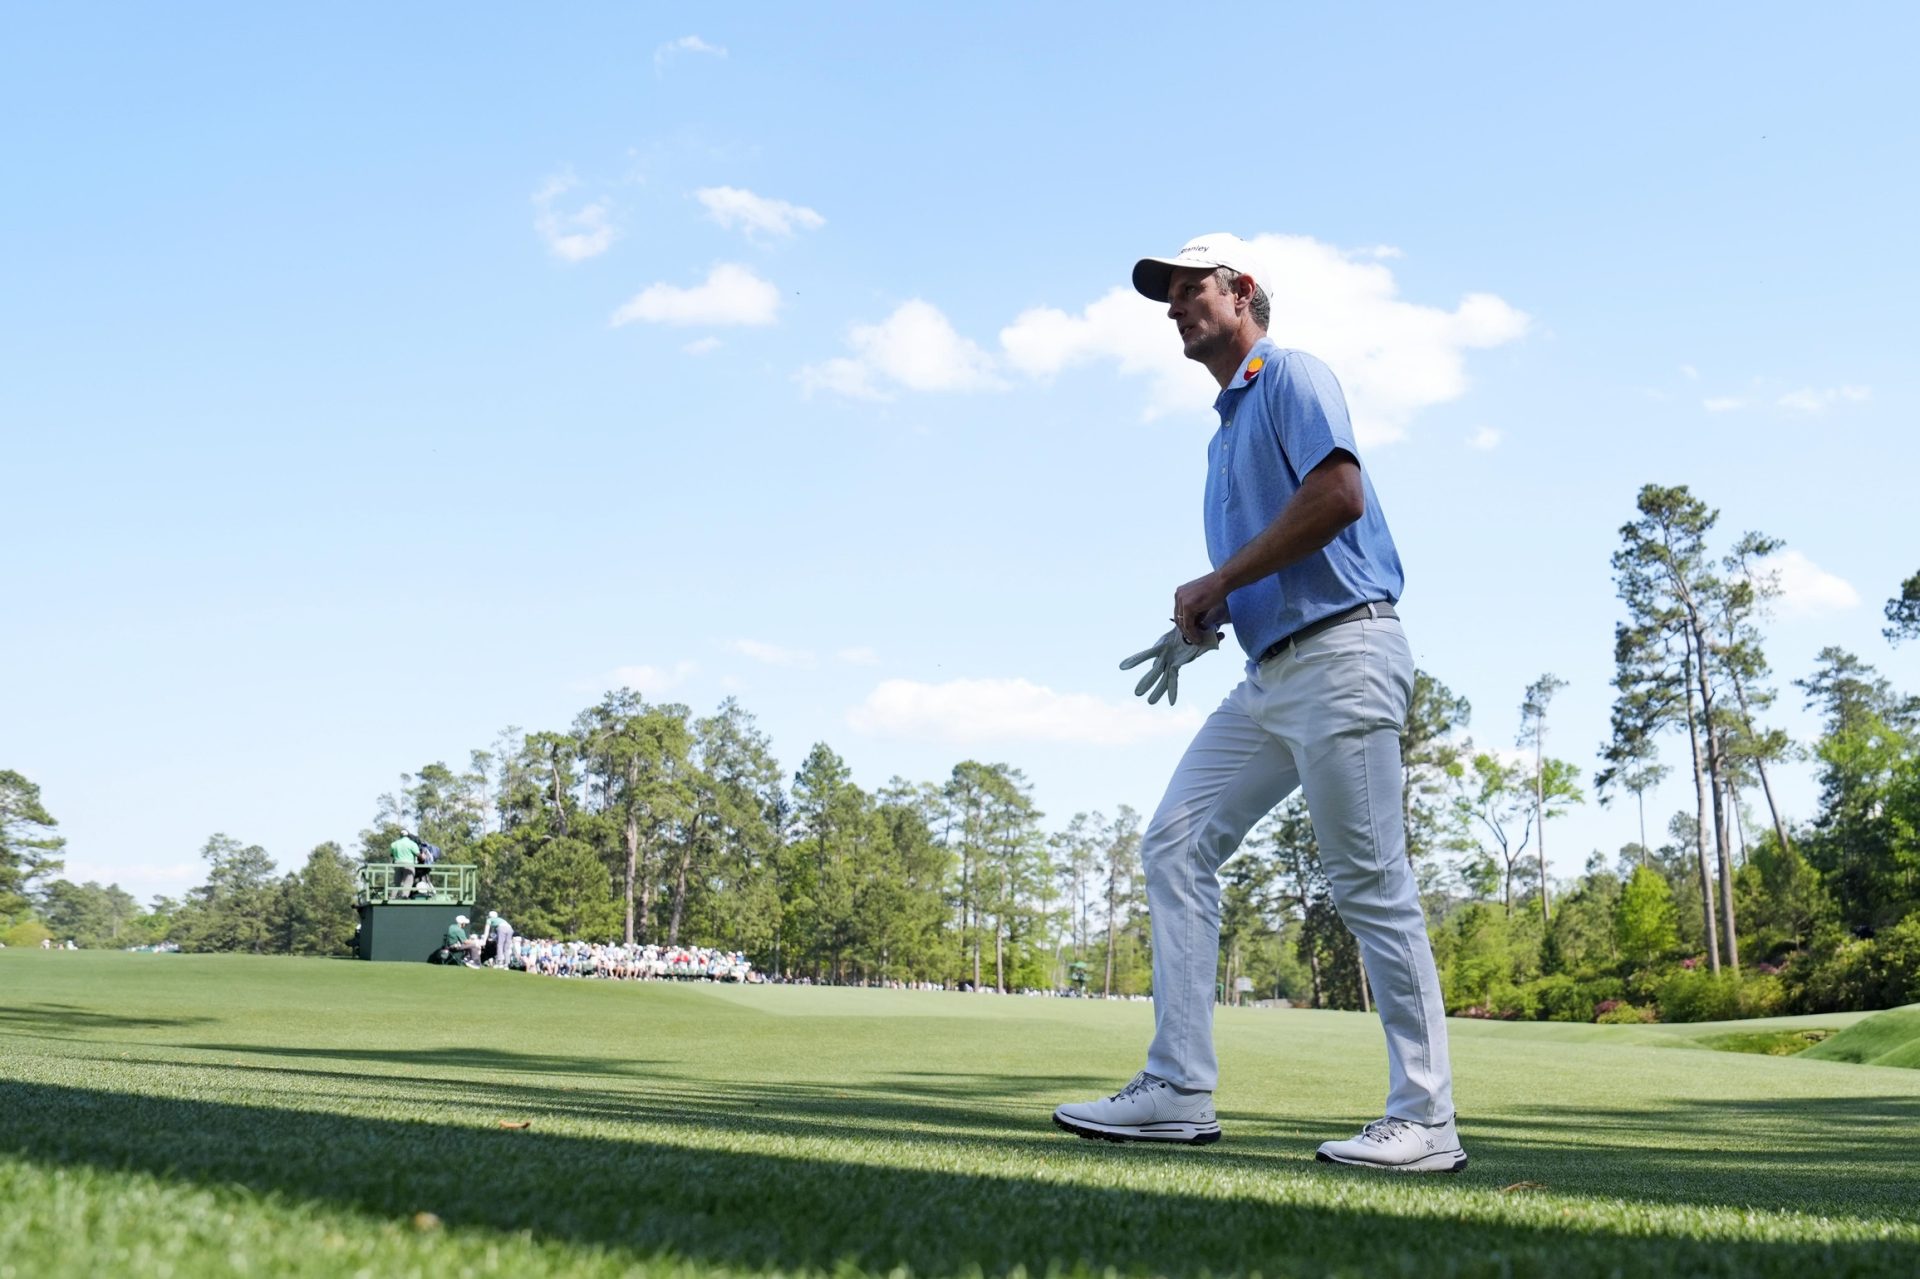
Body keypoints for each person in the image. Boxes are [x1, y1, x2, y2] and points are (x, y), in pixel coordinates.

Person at [1051, 234, 1465, 1174]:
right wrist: (1207, 617)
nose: (1173, 307)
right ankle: (1179, 1088)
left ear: (1241, 292)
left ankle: (1427, 1119)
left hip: (1347, 652)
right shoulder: (1223, 432)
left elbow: (1338, 495)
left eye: (1189, 288)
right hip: (1274, 673)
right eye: (1167, 296)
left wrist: (1221, 577)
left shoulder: (1291, 375)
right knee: (1174, 839)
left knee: (1368, 881)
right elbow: (1266, 564)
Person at [389, 831, 421, 899]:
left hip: (397, 865)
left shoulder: (394, 844)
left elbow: (391, 854)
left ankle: (392, 897)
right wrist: (423, 856)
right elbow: (418, 854)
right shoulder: (412, 844)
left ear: (400, 835)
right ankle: (404, 896)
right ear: (408, 836)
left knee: (396, 882)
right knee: (408, 881)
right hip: (408, 865)